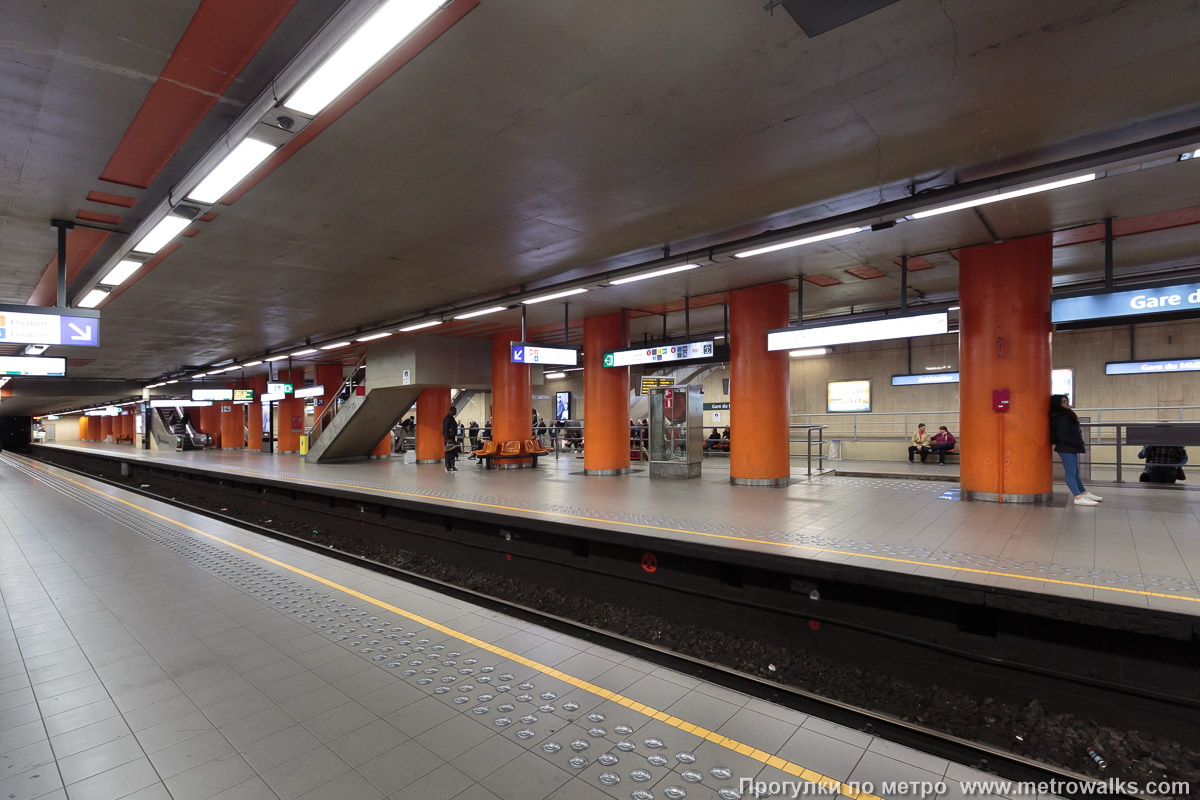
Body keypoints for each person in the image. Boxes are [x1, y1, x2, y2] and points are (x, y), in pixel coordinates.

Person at [1050, 394, 1101, 506]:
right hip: (1066, 447)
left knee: (1075, 471)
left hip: (1070, 447)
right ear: (1057, 404)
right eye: (1063, 402)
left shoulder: (1066, 415)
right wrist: (1075, 442)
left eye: (1067, 401)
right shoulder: (1060, 418)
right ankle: (1077, 497)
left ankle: (1083, 492)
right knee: (1071, 472)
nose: (1067, 403)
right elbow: (1062, 435)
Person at [442, 405, 460, 472]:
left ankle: (452, 466)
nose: (456, 412)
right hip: (449, 439)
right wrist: (447, 440)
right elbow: (445, 430)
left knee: (453, 452)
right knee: (448, 453)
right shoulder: (447, 419)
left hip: (452, 438)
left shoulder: (451, 418)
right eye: (455, 411)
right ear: (451, 411)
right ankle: (447, 466)